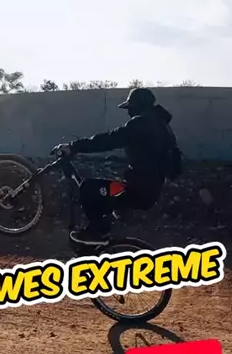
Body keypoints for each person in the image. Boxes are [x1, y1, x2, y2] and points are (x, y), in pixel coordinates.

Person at [50, 88, 182, 245]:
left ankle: (97, 234)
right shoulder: (162, 126)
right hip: (149, 190)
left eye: (130, 108)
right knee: (103, 194)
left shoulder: (141, 124)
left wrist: (74, 147)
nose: (129, 113)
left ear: (137, 107)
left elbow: (108, 140)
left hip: (135, 191)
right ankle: (102, 234)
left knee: (88, 188)